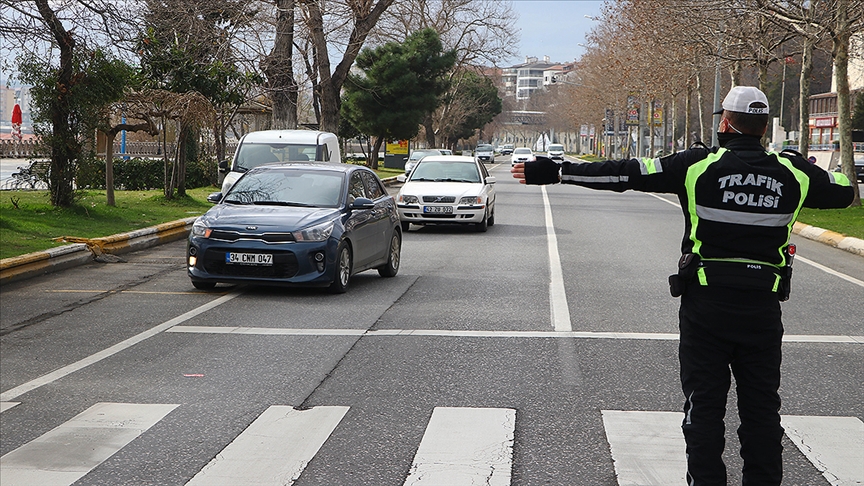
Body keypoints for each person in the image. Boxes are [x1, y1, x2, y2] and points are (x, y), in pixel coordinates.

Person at [512, 86, 854, 485]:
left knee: (704, 408)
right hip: (762, 308)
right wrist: (797, 159)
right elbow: (845, 189)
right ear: (764, 127)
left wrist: (556, 171)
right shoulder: (793, 173)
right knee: (761, 411)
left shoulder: (697, 165)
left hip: (706, 305)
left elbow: (626, 173)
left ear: (725, 123)